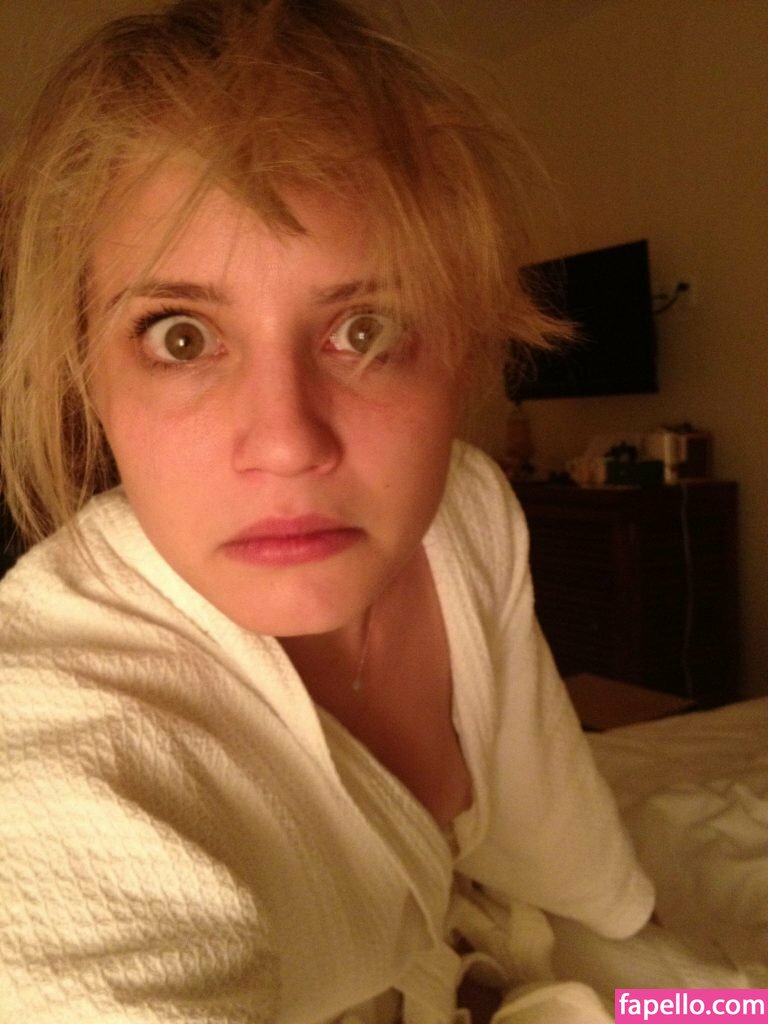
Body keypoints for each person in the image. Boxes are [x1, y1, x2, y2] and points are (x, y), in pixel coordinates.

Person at [0, 1, 654, 1021]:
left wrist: (663, 972)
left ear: (463, 350)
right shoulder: (60, 709)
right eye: (180, 336)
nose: (287, 441)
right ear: (91, 374)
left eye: (366, 328)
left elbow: (554, 827)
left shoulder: (470, 510)